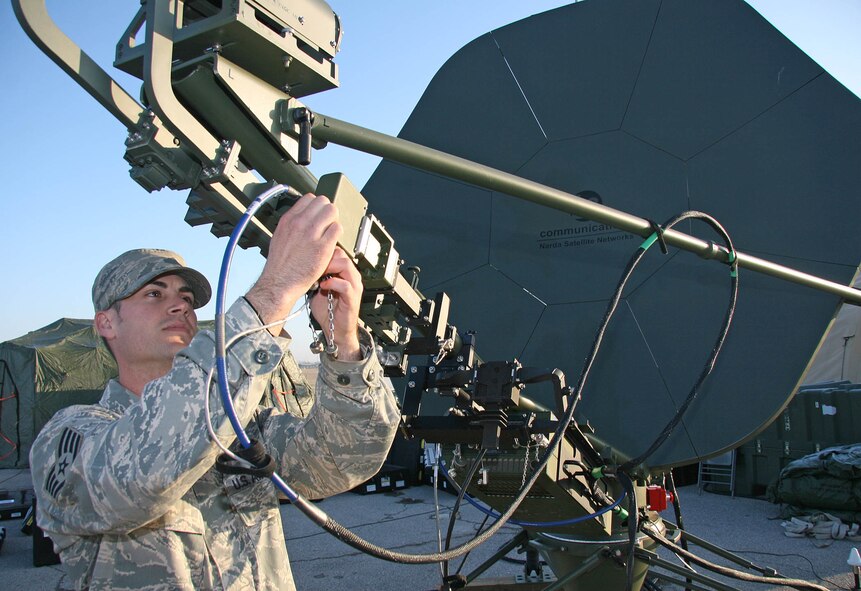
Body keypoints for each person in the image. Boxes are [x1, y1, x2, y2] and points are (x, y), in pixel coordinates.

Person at [29, 194, 401, 590]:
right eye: (155, 294)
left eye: (186, 299)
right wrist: (274, 293)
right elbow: (142, 473)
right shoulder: (69, 438)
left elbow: (340, 460)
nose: (180, 308)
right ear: (106, 322)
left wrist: (343, 342)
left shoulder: (241, 429)